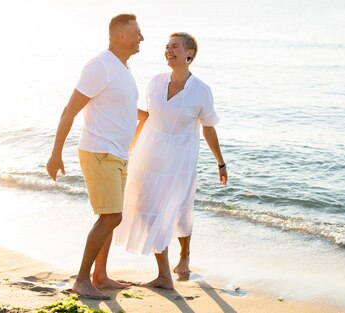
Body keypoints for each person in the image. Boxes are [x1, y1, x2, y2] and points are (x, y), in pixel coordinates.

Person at [114, 32, 227, 290]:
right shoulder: (155, 82)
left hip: (179, 160)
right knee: (148, 210)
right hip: (148, 156)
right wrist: (126, 148)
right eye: (166, 47)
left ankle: (184, 254)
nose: (169, 50)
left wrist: (220, 163)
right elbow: (149, 117)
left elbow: (208, 128)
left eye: (175, 47)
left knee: (179, 211)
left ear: (189, 54)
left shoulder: (201, 91)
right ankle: (164, 274)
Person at [45, 14, 144, 300]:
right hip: (99, 151)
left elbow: (121, 106)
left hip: (117, 154)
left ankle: (100, 275)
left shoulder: (123, 68)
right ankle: (81, 280)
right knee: (111, 217)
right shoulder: (100, 66)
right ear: (122, 35)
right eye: (138, 32)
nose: (142, 38)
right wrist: (55, 153)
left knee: (111, 217)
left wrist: (151, 117)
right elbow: (70, 110)